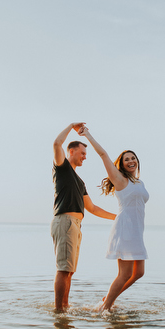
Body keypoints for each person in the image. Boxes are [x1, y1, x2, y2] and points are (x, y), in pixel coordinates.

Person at [78, 126, 149, 312]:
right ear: (122, 164)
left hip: (137, 231)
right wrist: (87, 135)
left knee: (139, 273)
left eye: (133, 158)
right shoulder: (120, 180)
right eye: (127, 159)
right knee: (125, 274)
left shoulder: (139, 182)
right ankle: (105, 308)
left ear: (137, 162)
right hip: (125, 230)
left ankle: (108, 298)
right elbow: (103, 154)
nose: (131, 161)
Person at [52, 123, 116, 312]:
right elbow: (57, 143)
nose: (85, 157)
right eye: (82, 153)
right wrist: (71, 126)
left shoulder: (80, 181)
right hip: (64, 222)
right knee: (64, 269)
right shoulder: (62, 168)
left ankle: (65, 306)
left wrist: (118, 217)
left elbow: (93, 208)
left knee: (69, 271)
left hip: (76, 225)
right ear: (71, 152)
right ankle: (59, 311)